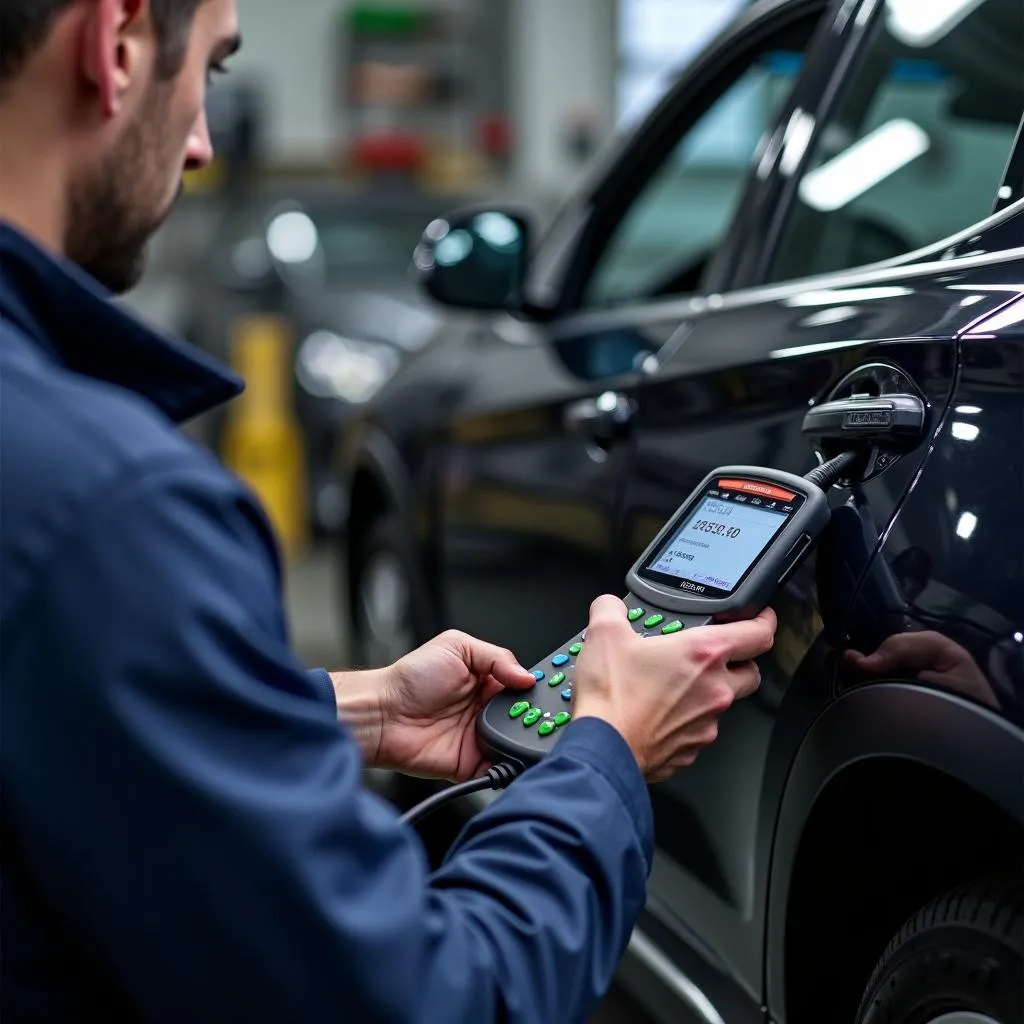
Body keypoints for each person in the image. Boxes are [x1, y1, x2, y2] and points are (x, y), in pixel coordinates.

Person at [0, 2, 778, 1021]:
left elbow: (58, 716)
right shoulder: (114, 508)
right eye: (213, 74)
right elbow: (420, 1003)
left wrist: (354, 709)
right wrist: (604, 756)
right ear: (117, 43)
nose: (197, 144)